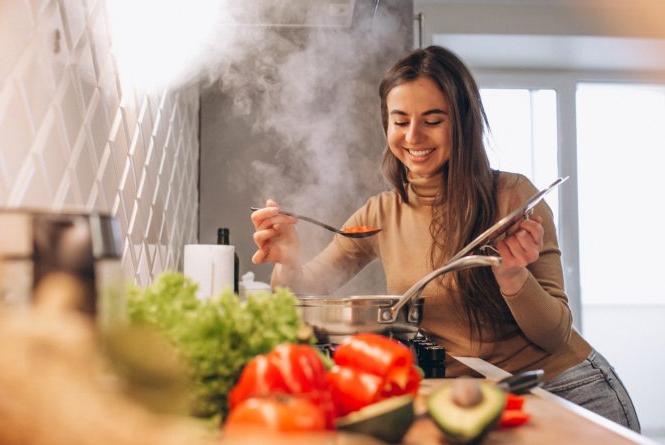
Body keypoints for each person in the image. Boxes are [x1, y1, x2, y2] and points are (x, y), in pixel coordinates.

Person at [250, 45, 640, 432]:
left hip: (565, 389)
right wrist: (287, 259)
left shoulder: (512, 197)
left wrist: (514, 277)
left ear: (463, 122)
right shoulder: (380, 214)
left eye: (432, 120)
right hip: (475, 398)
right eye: (400, 121)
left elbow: (555, 336)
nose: (413, 136)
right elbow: (303, 292)